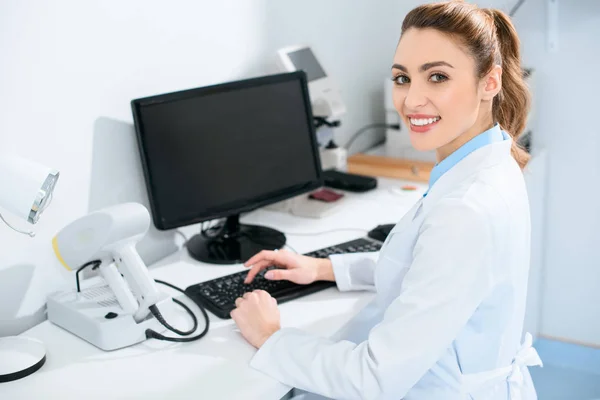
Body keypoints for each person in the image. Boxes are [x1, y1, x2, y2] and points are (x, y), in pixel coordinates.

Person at [230, 1, 543, 399]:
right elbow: (429, 268)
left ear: (489, 82)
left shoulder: (466, 208)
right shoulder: (492, 160)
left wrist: (271, 337)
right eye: (402, 78)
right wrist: (325, 268)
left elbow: (373, 378)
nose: (412, 100)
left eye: (437, 77)